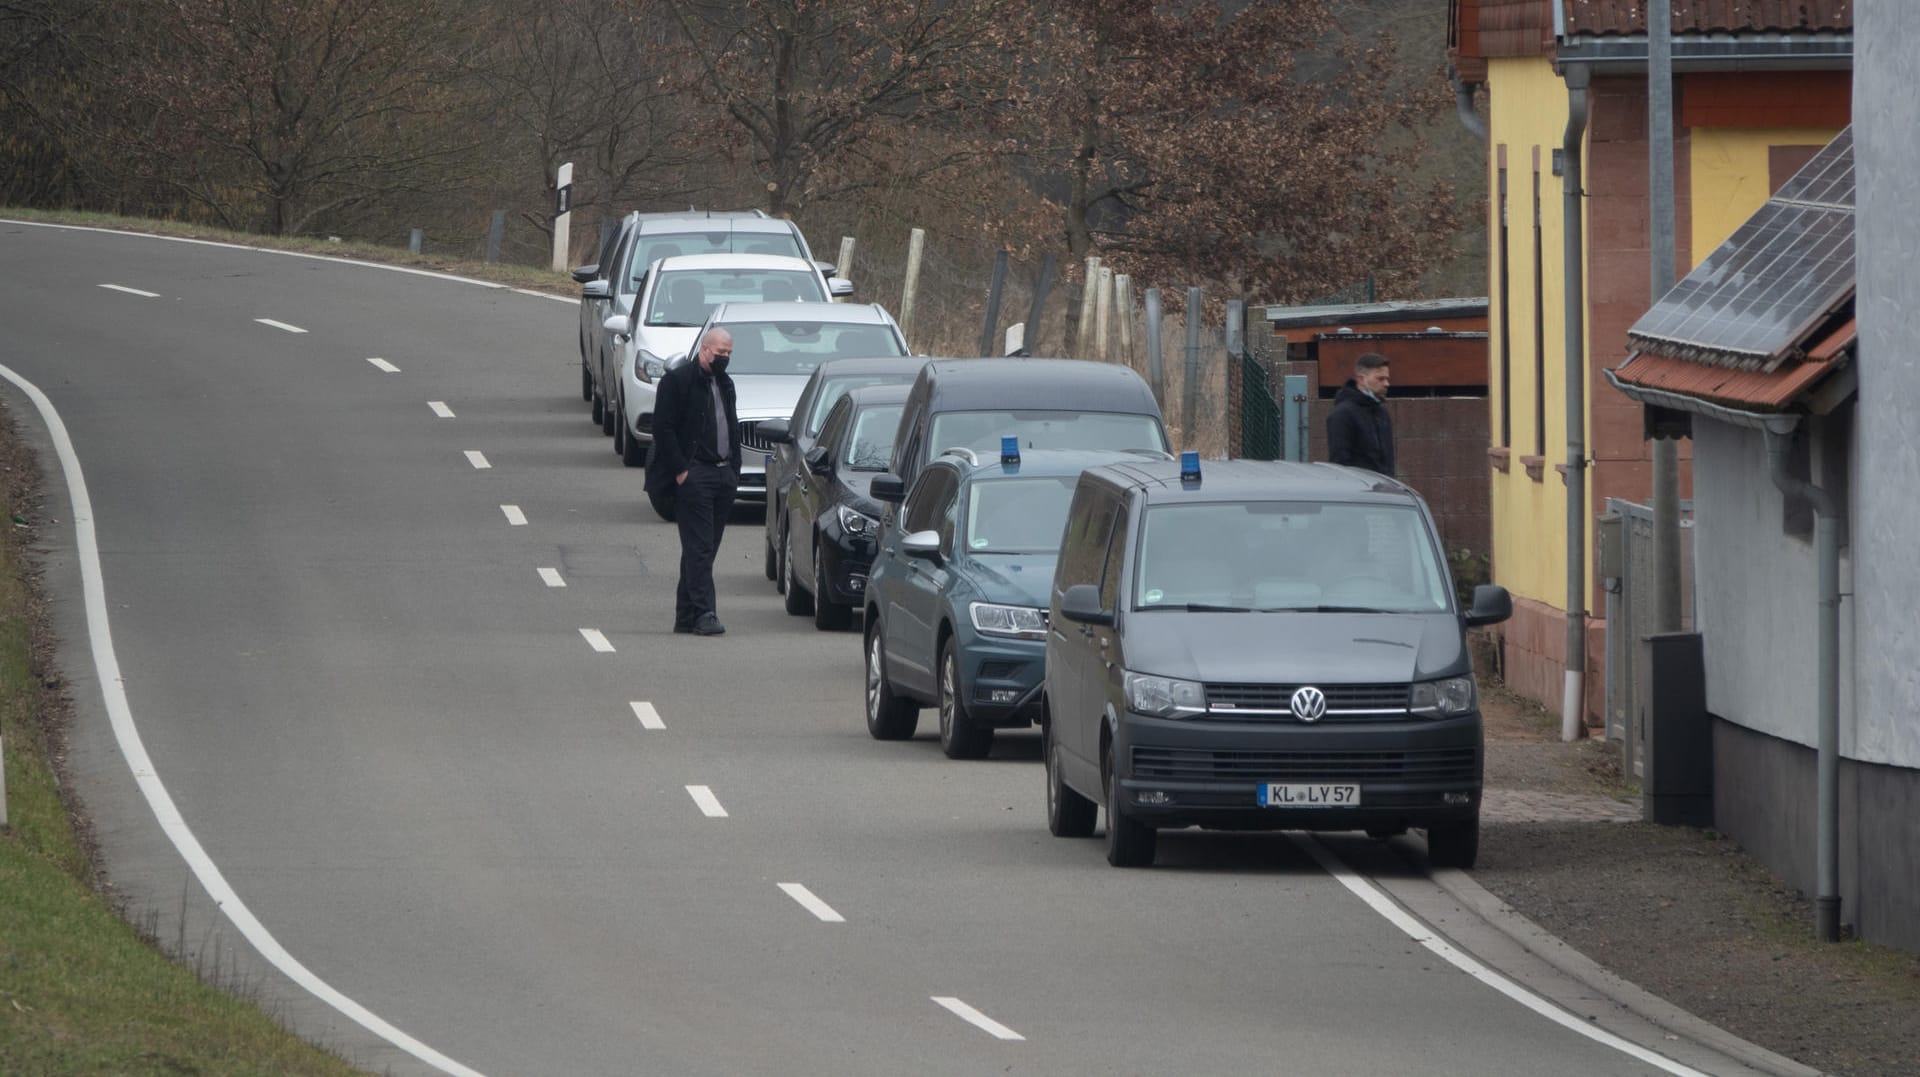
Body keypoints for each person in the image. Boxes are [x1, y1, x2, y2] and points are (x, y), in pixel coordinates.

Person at [645, 327, 741, 635]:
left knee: (706, 547)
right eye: (720, 353)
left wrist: (733, 470)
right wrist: (681, 471)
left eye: (728, 353)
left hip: (723, 475)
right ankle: (704, 613)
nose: (724, 358)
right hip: (694, 475)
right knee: (699, 547)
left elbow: (732, 425)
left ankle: (685, 616)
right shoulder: (677, 381)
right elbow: (663, 427)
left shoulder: (726, 383)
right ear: (704, 349)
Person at [1326, 351, 1395, 476]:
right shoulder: (1343, 414)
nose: (1386, 384)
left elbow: (1388, 461)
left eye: (1387, 379)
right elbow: (1339, 463)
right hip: (1358, 492)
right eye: (1380, 379)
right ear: (1361, 379)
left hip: (1383, 490)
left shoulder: (1381, 412)